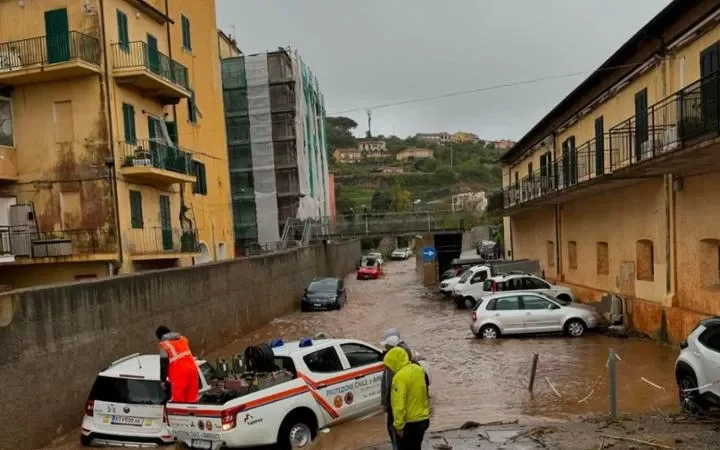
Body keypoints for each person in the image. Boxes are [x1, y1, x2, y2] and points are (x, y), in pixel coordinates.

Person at [384, 347, 430, 450]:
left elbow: (399, 404)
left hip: (410, 423)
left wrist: (399, 426)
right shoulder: (418, 369)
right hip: (423, 419)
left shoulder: (399, 377)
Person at [156, 326, 199, 403]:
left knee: (178, 401)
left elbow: (163, 364)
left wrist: (163, 380)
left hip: (179, 374)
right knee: (192, 399)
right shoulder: (183, 338)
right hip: (192, 370)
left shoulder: (163, 345)